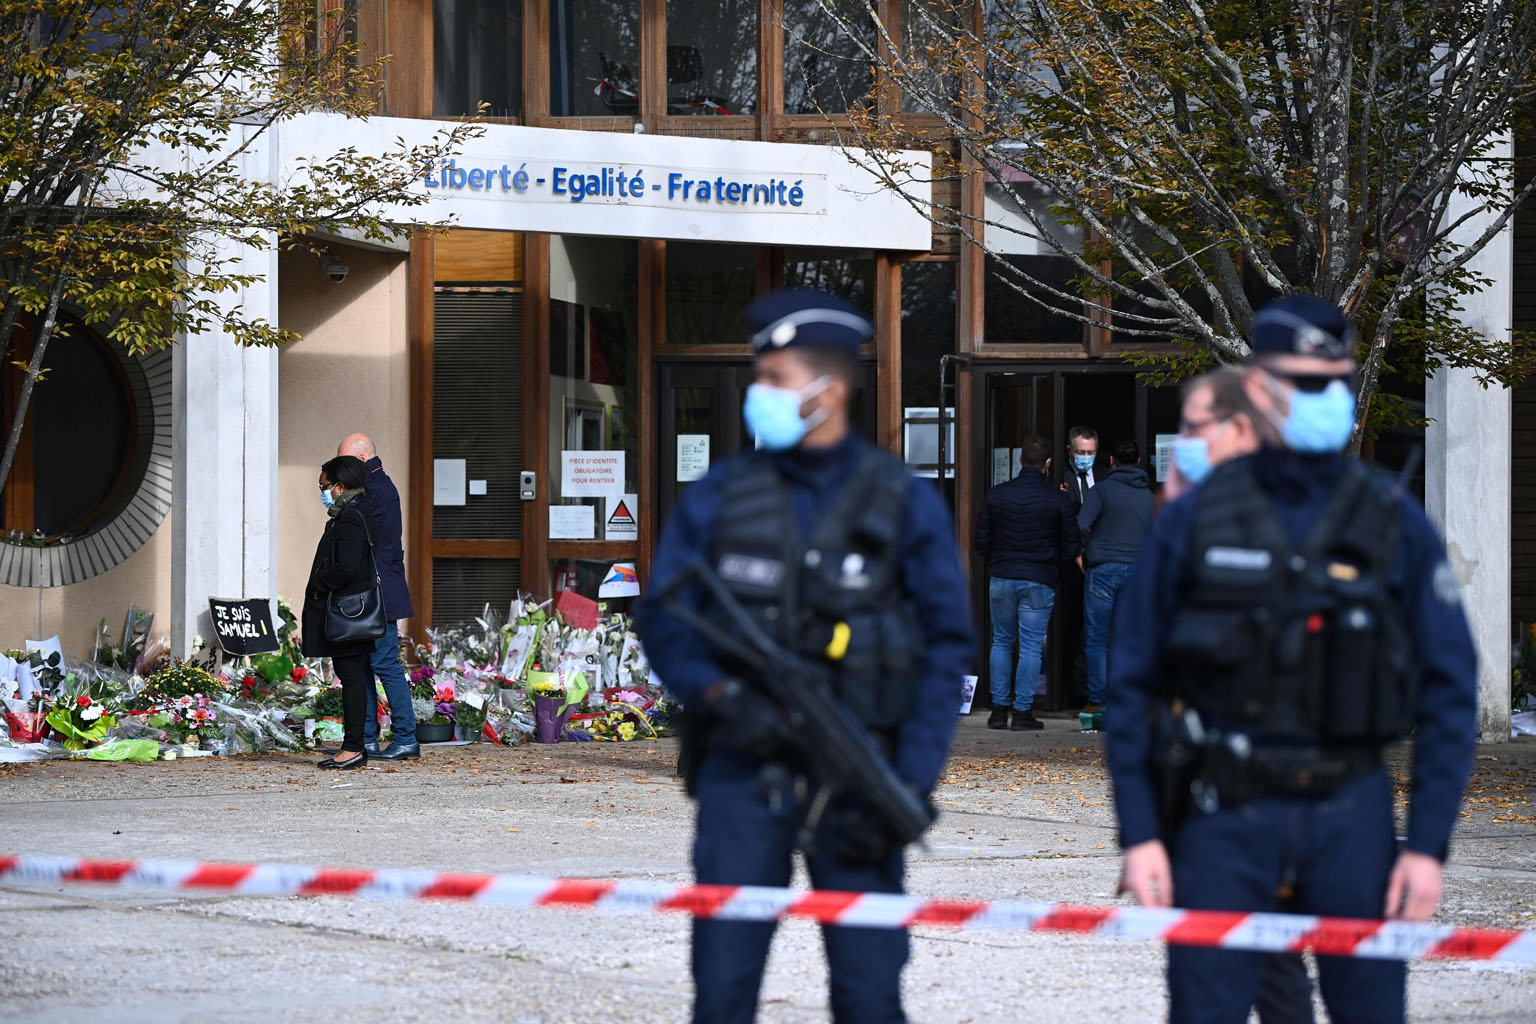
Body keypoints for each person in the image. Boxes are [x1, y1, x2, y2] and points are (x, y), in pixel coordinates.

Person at [1107, 294, 1478, 1024]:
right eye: (1302, 382)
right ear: (1257, 387)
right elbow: (1132, 687)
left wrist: (1427, 845)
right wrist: (1143, 832)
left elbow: (1449, 689)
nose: (1323, 397)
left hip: (1351, 815)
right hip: (1223, 816)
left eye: (1333, 380)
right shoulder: (1195, 520)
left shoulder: (1390, 519)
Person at [636, 288, 973, 1024]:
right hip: (742, 768)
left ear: (831, 389)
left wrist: (907, 783)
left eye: (776, 381)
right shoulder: (724, 493)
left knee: (869, 991)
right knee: (723, 988)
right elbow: (665, 618)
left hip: (860, 773)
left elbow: (946, 648)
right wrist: (720, 696)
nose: (762, 395)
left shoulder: (900, 500)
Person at [1171, 365, 1316, 1024]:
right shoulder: (1188, 525)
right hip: (1209, 791)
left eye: (1192, 427)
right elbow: (1146, 672)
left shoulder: (1311, 526)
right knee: (1204, 980)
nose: (1182, 441)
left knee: (1280, 973)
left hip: (1289, 786)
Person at [974, 435, 1081, 731]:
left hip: (1002, 575)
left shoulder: (997, 495)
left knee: (1001, 641)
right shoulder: (1056, 499)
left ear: (1019, 460)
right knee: (1031, 646)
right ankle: (1022, 712)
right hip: (1038, 578)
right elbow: (1072, 546)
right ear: (1047, 465)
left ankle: (998, 710)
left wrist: (999, 559)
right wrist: (1051, 565)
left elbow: (981, 541)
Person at [337, 433, 418, 760]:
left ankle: (405, 737)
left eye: (344, 463)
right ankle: (366, 738)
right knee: (366, 663)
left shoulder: (376, 491)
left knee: (384, 663)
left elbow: (365, 540)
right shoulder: (375, 488)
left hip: (378, 591)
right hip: (375, 590)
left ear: (359, 460)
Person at [301, 455, 380, 771]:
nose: (322, 492)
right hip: (351, 612)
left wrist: (318, 581)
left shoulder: (349, 518)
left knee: (352, 679)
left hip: (346, 614)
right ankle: (355, 746)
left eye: (324, 486)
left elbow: (346, 568)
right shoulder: (355, 513)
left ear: (341, 486)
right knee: (354, 677)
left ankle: (353, 748)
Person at [1076, 439, 1154, 714]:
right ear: (1139, 462)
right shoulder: (1149, 497)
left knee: (1097, 638)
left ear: (1111, 462)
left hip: (1102, 569)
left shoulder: (1102, 491)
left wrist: (1081, 553)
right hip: (1137, 571)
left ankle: (1097, 700)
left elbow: (1082, 525)